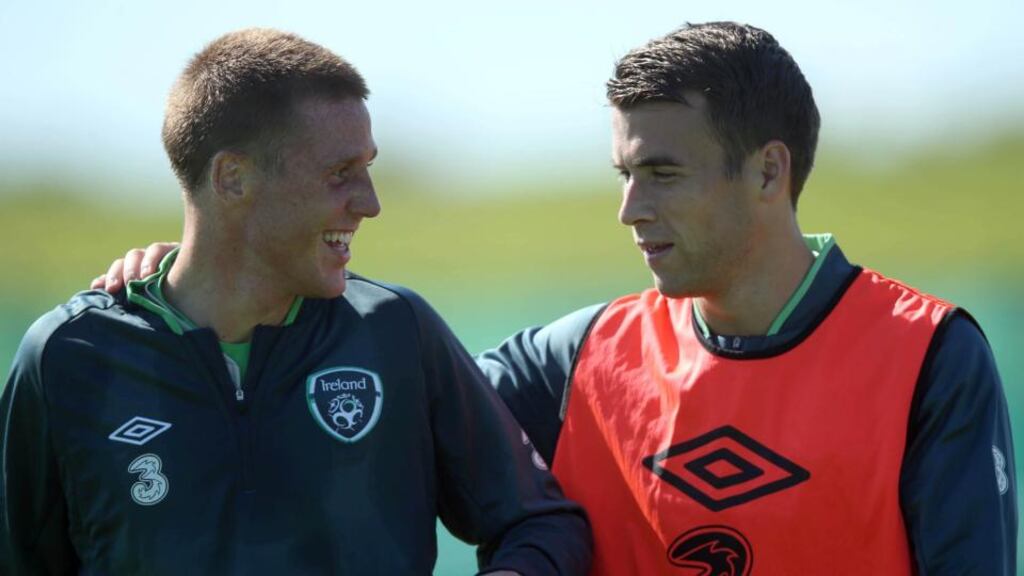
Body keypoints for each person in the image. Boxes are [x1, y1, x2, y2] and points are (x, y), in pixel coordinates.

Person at [91, 22, 1018, 575]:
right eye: (624, 172)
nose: (628, 208)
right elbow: (347, 391)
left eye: (662, 173)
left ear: (769, 171)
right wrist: (211, 271)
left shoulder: (928, 356)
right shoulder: (571, 360)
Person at [0, 29, 592, 575]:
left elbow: (539, 522)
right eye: (340, 173)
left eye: (368, 168)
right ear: (233, 178)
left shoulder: (393, 331)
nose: (370, 203)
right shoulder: (68, 356)